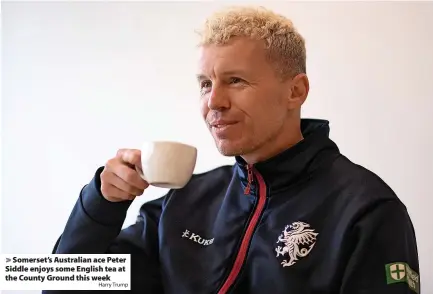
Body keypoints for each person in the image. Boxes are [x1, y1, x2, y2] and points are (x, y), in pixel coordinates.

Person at [44, 5, 420, 294]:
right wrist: (101, 201)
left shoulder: (366, 210)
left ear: (296, 91)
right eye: (205, 84)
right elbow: (59, 283)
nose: (214, 102)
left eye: (235, 81)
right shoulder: (184, 201)